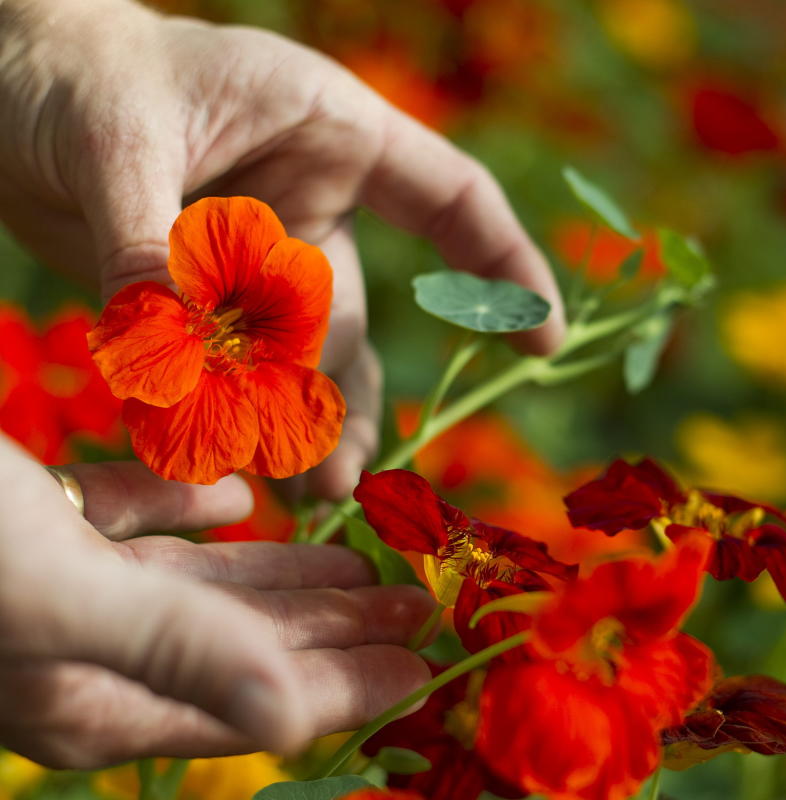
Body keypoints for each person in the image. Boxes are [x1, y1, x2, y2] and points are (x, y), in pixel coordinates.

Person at [0, 0, 564, 768]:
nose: (231, 337)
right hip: (182, 318)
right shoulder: (198, 278)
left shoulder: (274, 326)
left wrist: (50, 30)